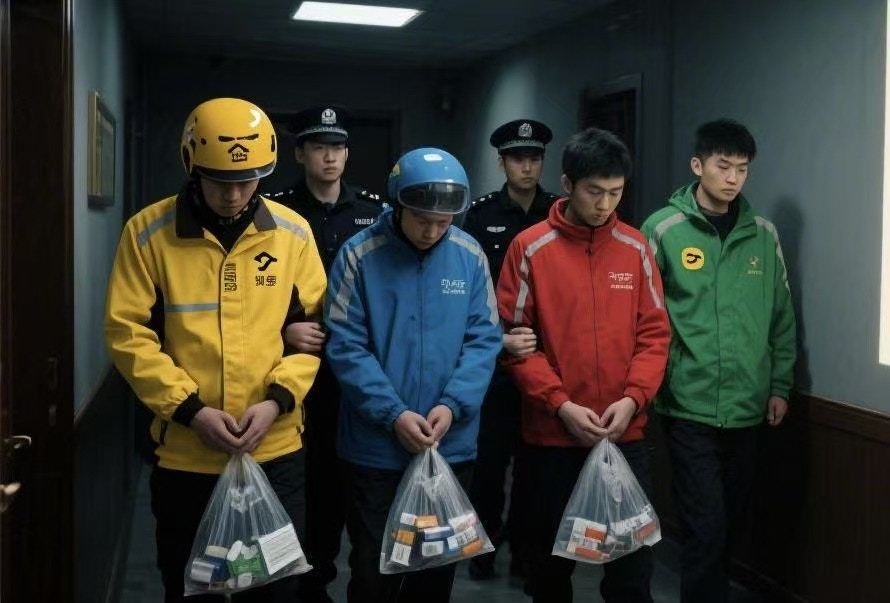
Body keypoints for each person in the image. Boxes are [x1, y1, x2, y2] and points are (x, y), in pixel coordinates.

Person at [104, 97, 327, 603]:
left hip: (275, 451)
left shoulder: (293, 234)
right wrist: (191, 410)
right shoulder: (148, 234)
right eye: (220, 180)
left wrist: (277, 401)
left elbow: (313, 332)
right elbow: (127, 333)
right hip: (187, 457)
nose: (234, 194)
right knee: (191, 587)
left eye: (248, 181)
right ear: (192, 166)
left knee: (275, 590)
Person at [497, 127, 671, 603]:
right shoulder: (530, 248)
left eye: (615, 193)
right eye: (595, 191)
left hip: (623, 435)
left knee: (632, 572)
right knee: (548, 573)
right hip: (552, 438)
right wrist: (560, 405)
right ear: (567, 184)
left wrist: (633, 399)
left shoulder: (636, 248)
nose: (605, 204)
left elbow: (655, 336)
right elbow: (516, 344)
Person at [324, 147, 502, 603]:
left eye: (444, 222)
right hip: (375, 451)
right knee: (373, 571)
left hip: (449, 445)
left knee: (435, 573)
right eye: (423, 219)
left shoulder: (469, 255)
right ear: (397, 205)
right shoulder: (359, 255)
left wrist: (453, 405)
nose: (433, 231)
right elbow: (346, 345)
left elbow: (484, 340)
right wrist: (393, 414)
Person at [639, 118, 797, 603]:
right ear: (698, 165)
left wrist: (780, 385)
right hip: (688, 403)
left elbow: (782, 317)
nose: (732, 178)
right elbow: (641, 317)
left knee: (731, 523)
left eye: (742, 169)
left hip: (749, 405)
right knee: (705, 525)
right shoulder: (662, 229)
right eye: (723, 166)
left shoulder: (763, 235)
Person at [267, 104, 384, 603]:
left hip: (356, 372)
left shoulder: (375, 212)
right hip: (298, 372)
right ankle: (310, 584)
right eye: (319, 147)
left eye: (338, 147)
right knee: (308, 483)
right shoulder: (274, 212)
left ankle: (359, 580)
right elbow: (259, 295)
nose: (330, 157)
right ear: (300, 154)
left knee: (355, 484)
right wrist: (283, 330)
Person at [461, 118, 559, 581]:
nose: (527, 167)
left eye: (535, 158)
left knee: (535, 465)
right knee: (490, 461)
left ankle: (524, 551)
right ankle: (483, 548)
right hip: (495, 360)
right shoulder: (481, 216)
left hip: (545, 357)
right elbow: (470, 288)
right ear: (502, 163)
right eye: (518, 158)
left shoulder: (558, 213)